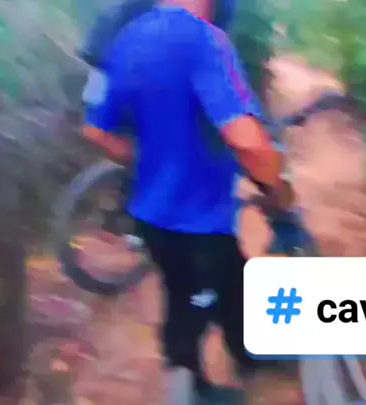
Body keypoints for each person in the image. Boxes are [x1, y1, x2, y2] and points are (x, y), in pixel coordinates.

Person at [80, 0, 294, 403]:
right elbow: (246, 140)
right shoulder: (204, 41)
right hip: (197, 220)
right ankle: (193, 387)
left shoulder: (125, 39)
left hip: (149, 213)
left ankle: (247, 354)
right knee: (193, 303)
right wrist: (276, 188)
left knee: (226, 281)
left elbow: (96, 131)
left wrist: (151, 158)